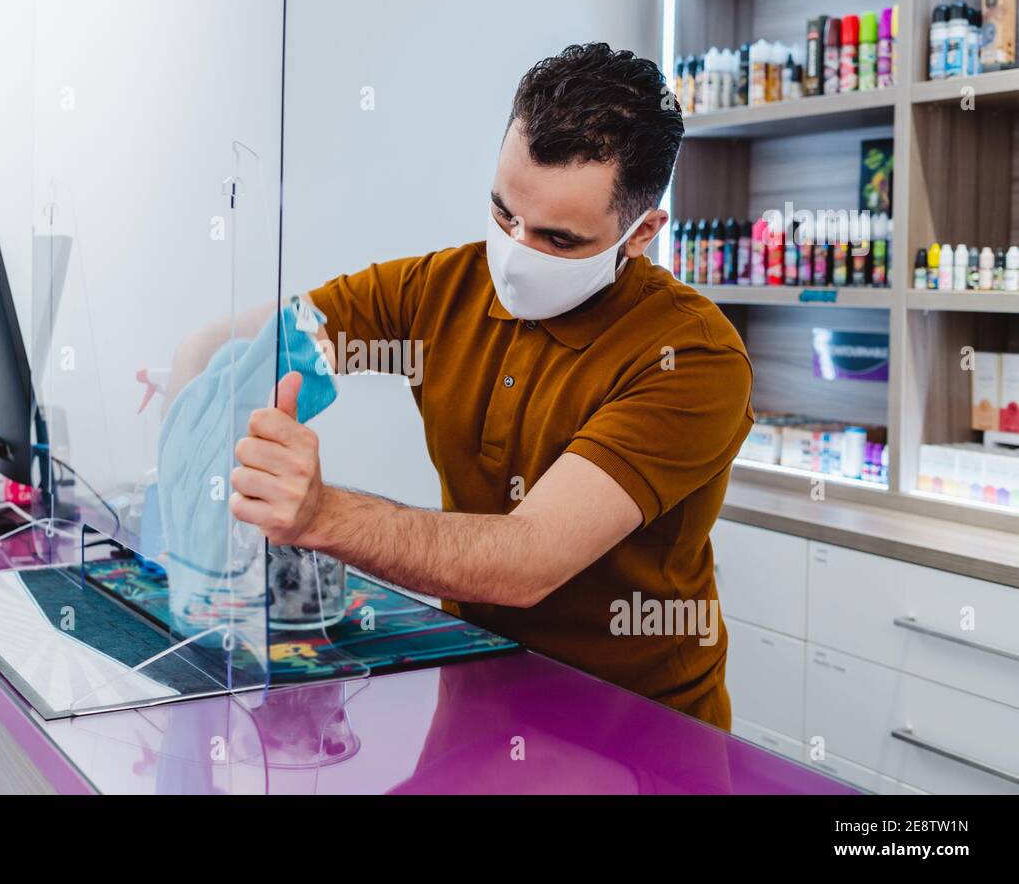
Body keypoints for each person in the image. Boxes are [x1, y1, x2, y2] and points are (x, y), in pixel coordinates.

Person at [170, 42, 752, 728]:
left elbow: (527, 561)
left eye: (559, 240)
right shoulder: (440, 290)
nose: (516, 251)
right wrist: (197, 407)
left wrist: (323, 516)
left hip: (632, 730)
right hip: (477, 693)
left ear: (642, 232)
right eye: (504, 213)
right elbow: (237, 345)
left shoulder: (692, 357)